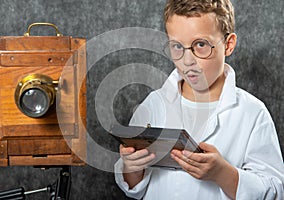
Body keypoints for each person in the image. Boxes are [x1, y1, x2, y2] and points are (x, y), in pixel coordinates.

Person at [114, 0, 284, 199]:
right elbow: (134, 187)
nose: (187, 61)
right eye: (177, 46)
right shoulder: (153, 105)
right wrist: (132, 167)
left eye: (200, 45)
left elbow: (275, 190)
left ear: (228, 45)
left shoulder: (253, 113)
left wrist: (222, 174)